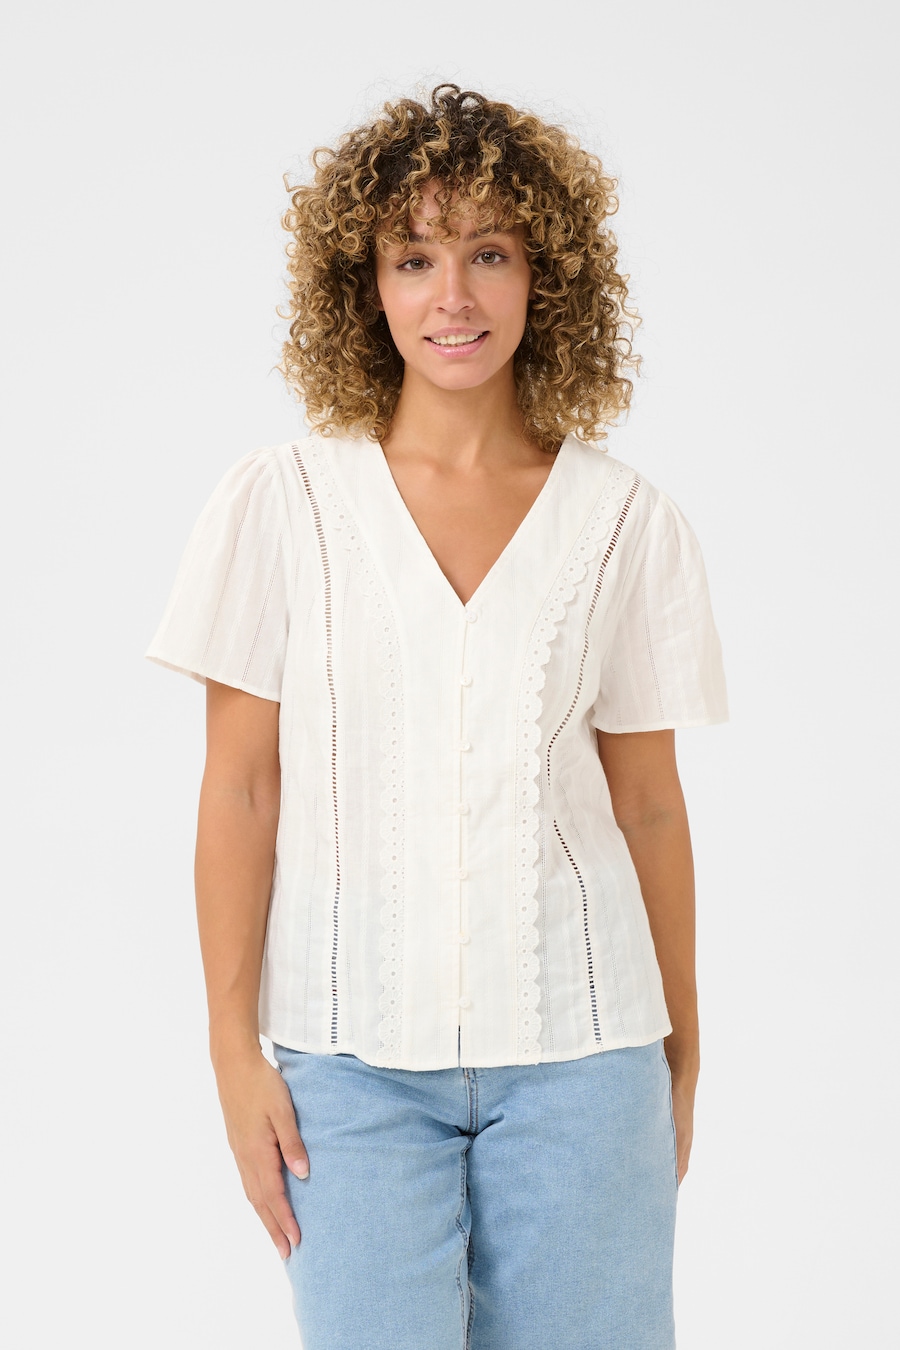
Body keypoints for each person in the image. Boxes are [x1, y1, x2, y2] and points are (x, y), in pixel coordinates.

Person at [146, 83, 727, 1350]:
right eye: (414, 258)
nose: (452, 296)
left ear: (544, 275)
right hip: (347, 1069)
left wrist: (682, 1043)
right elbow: (241, 788)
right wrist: (232, 1051)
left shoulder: (624, 522)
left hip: (587, 1060)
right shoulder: (283, 506)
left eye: (489, 253)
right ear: (365, 286)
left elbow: (648, 803)